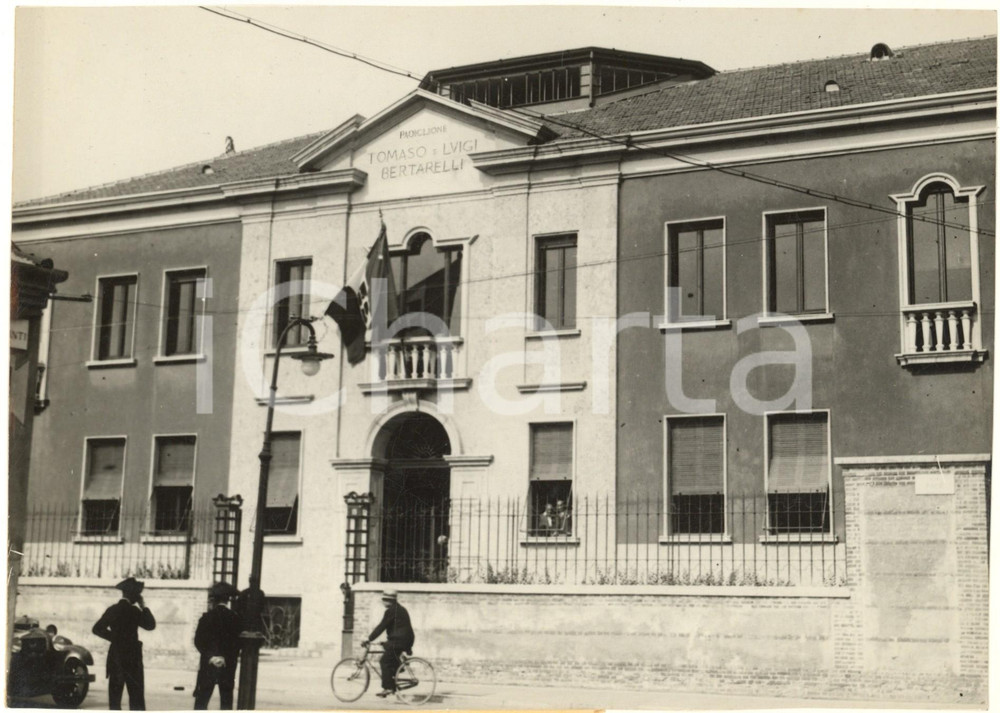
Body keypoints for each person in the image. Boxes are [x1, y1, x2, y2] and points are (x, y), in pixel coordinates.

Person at [92, 576, 156, 710]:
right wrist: (143, 606)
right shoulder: (134, 611)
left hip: (116, 657)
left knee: (115, 698)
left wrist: (115, 638)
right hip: (133, 658)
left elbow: (97, 629)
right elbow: (151, 625)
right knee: (136, 698)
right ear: (134, 595)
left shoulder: (112, 610)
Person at [193, 582, 242, 710]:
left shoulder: (206, 617)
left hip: (208, 664)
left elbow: (198, 641)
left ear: (214, 600)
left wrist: (211, 657)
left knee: (202, 701)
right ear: (228, 600)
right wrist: (224, 657)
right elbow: (237, 644)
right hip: (227, 665)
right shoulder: (234, 618)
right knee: (226, 701)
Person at [363, 589, 414, 698]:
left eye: (384, 599)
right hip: (405, 639)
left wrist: (369, 639)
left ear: (388, 600)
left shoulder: (391, 611)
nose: (382, 602)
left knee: (384, 661)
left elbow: (382, 626)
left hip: (399, 641)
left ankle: (388, 688)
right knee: (389, 653)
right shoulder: (400, 609)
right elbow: (397, 628)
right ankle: (397, 669)